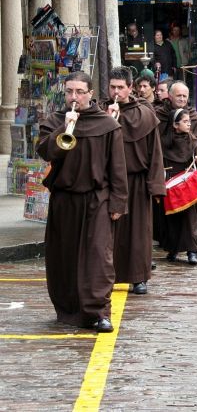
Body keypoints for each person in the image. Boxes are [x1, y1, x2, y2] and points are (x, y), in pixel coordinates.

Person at [36, 71, 128, 332]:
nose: (73, 97)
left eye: (79, 92)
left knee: (99, 257)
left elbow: (117, 167)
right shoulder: (55, 120)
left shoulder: (108, 124)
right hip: (64, 199)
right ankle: (68, 309)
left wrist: (118, 203)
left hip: (97, 199)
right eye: (69, 92)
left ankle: (99, 312)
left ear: (90, 94)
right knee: (63, 257)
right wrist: (64, 128)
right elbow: (44, 152)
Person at [104, 67, 165, 295]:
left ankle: (138, 277)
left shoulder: (145, 114)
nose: (116, 91)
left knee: (138, 233)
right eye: (113, 87)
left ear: (130, 87)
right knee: (108, 234)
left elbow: (155, 152)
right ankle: (107, 276)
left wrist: (155, 185)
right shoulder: (101, 111)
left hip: (137, 181)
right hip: (108, 182)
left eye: (121, 87)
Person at [162, 108, 197, 265]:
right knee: (172, 219)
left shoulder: (193, 142)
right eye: (185, 122)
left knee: (190, 219)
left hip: (189, 187)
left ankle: (192, 251)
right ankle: (173, 249)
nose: (189, 124)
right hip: (171, 185)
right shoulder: (164, 143)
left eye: (189, 121)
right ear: (175, 125)